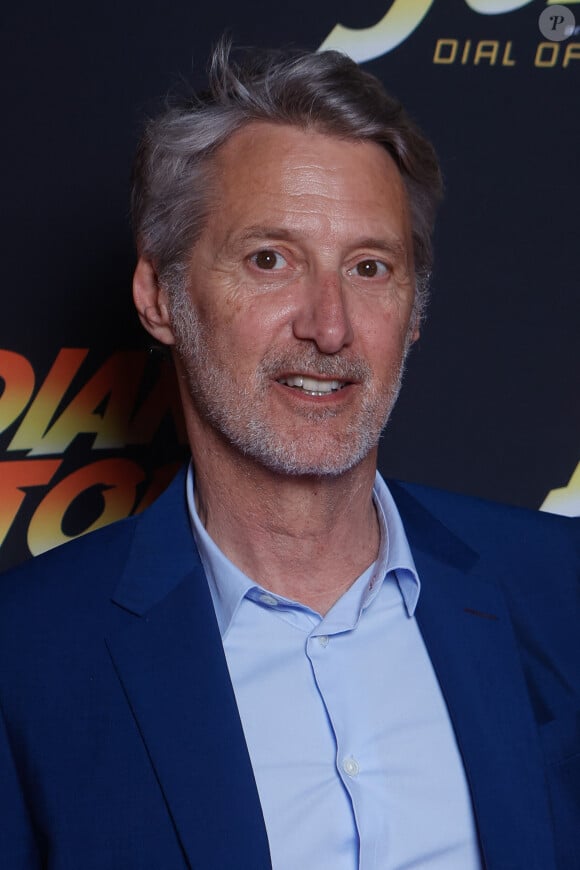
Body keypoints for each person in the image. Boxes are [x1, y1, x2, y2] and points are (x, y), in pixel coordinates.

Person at [0, 39, 578, 870]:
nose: (329, 326)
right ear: (159, 297)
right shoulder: (26, 659)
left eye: (370, 267)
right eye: (270, 260)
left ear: (414, 310)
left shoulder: (563, 592)